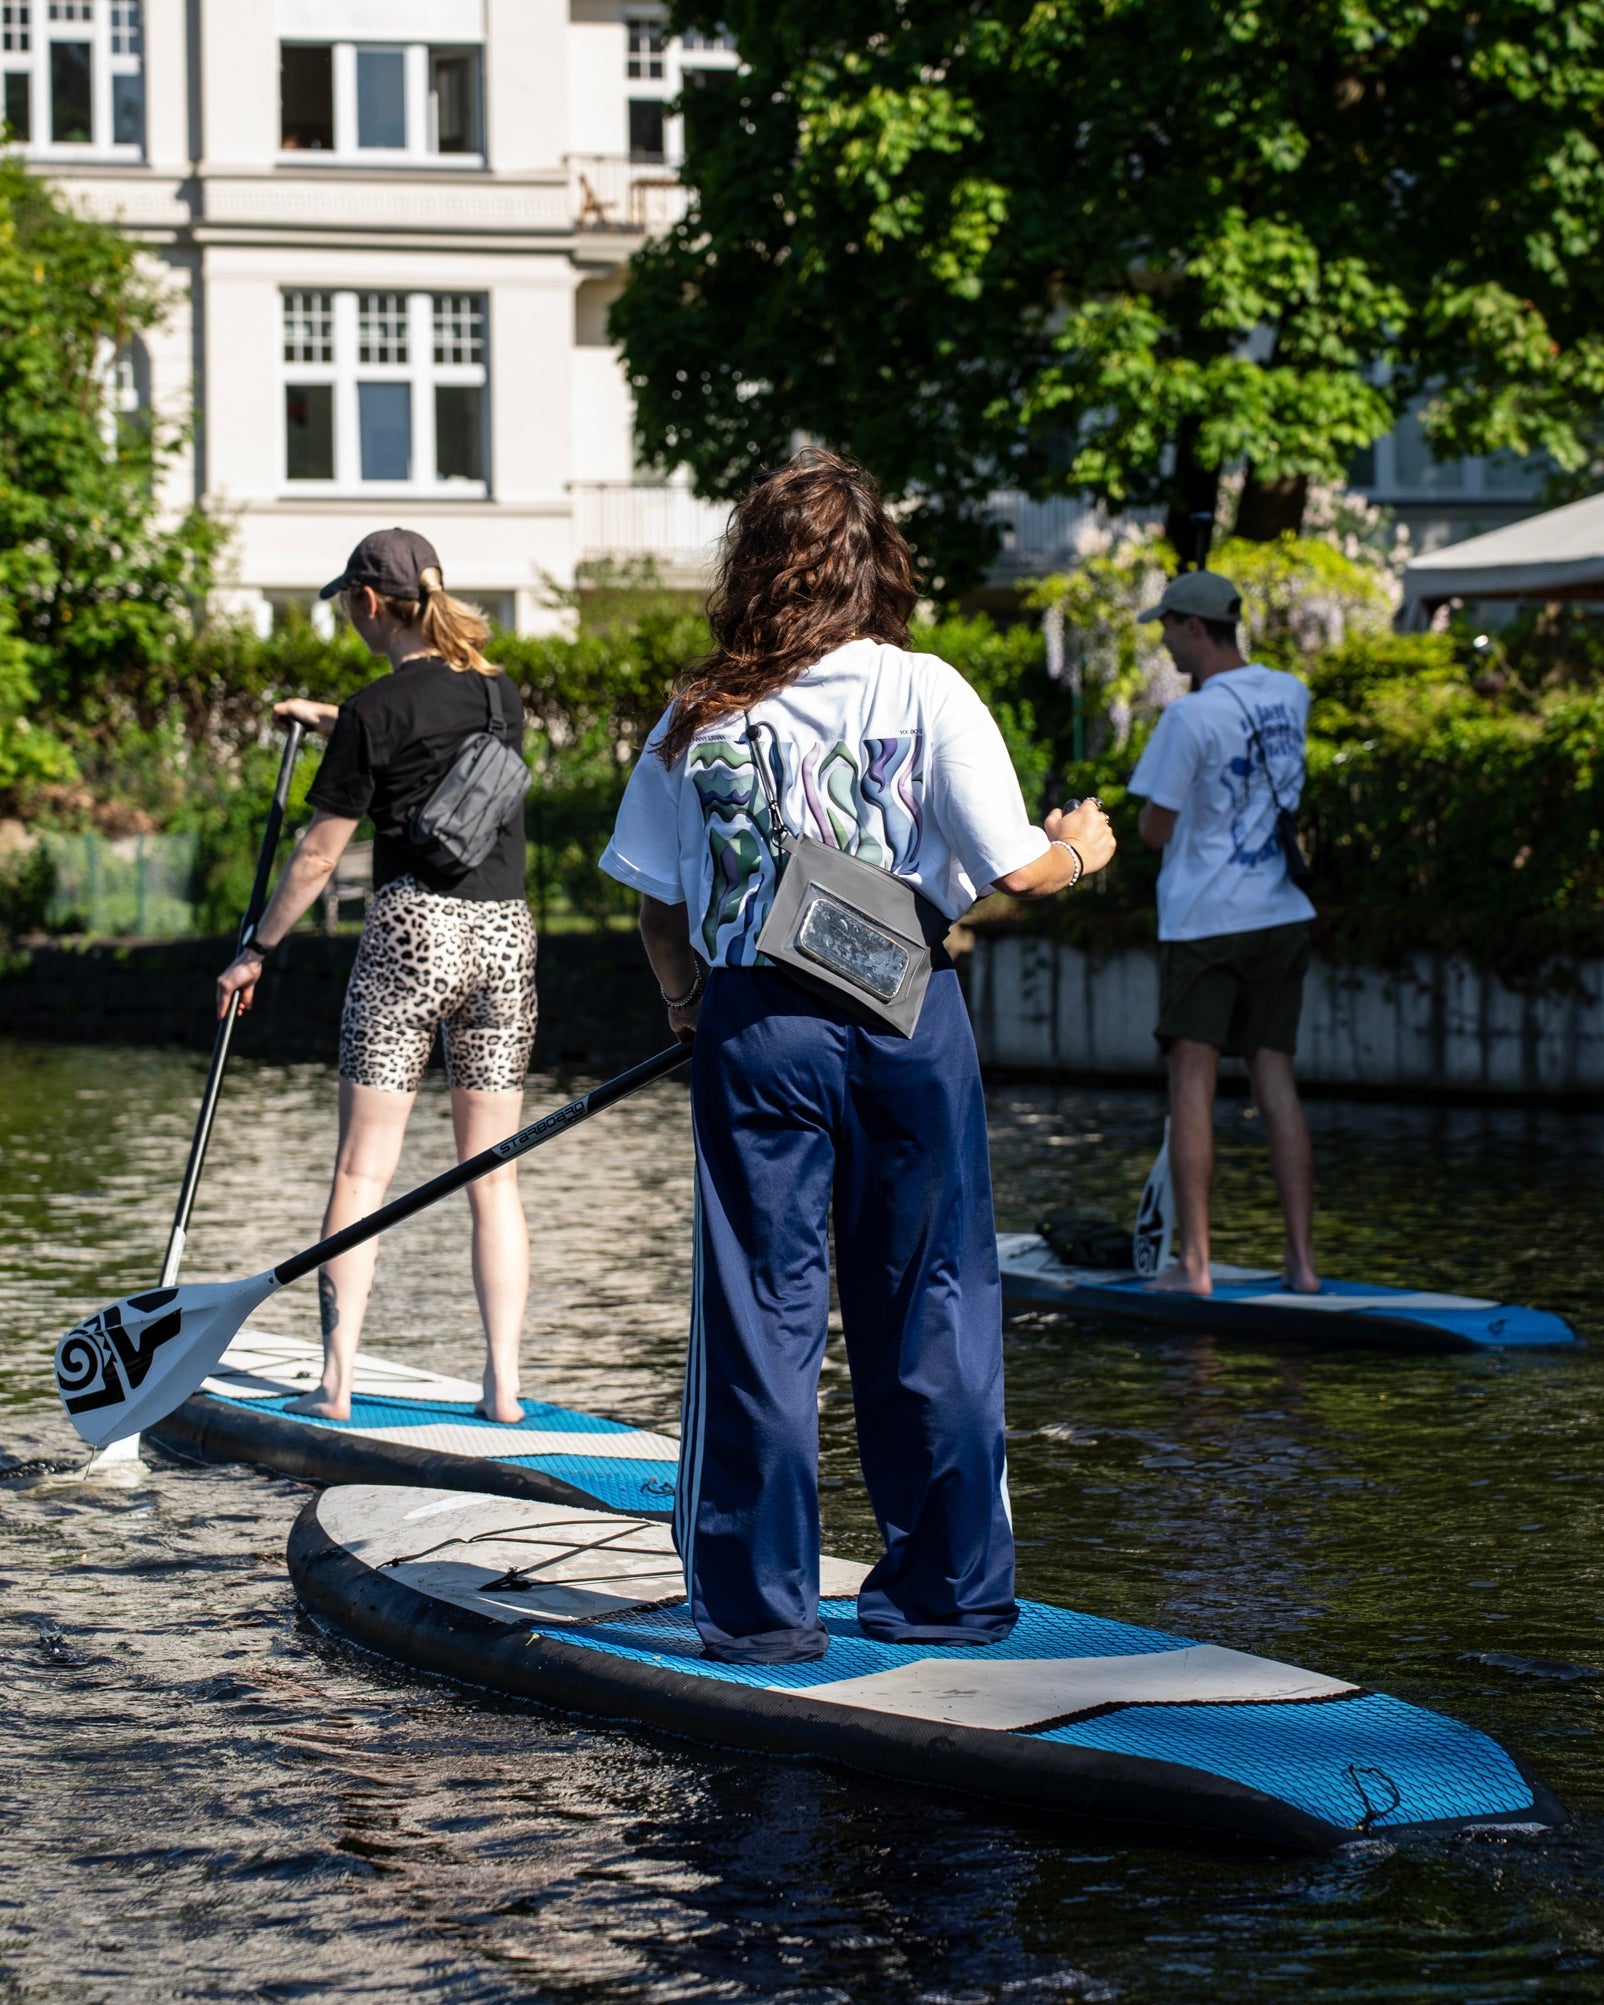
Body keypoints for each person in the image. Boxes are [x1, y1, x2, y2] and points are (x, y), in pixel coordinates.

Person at [598, 449, 1116, 1664]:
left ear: (751, 568)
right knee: (932, 1296)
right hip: (904, 1020)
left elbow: (657, 908)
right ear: (873, 564)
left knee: (760, 1312)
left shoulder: (698, 714)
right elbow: (1016, 869)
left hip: (753, 1028)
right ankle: (944, 1595)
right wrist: (1082, 848)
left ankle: (756, 1613)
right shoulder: (924, 688)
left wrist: (685, 1005)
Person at [215, 528, 537, 1421]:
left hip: (411, 938)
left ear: (367, 601)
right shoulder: (500, 693)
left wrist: (257, 948)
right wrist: (330, 718)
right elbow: (432, 745)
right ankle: (504, 1389)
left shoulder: (373, 711)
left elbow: (320, 857)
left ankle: (336, 1383)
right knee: (494, 1175)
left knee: (362, 1171)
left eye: (346, 607)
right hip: (505, 940)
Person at [1128, 568, 1318, 1297]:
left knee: (1191, 1087)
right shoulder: (1290, 693)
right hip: (1280, 914)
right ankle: (1302, 1265)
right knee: (1276, 1083)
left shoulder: (1189, 718)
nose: (1165, 644)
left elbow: (1155, 830)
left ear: (1194, 627)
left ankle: (1196, 1265)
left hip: (1205, 922)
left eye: (1168, 629)